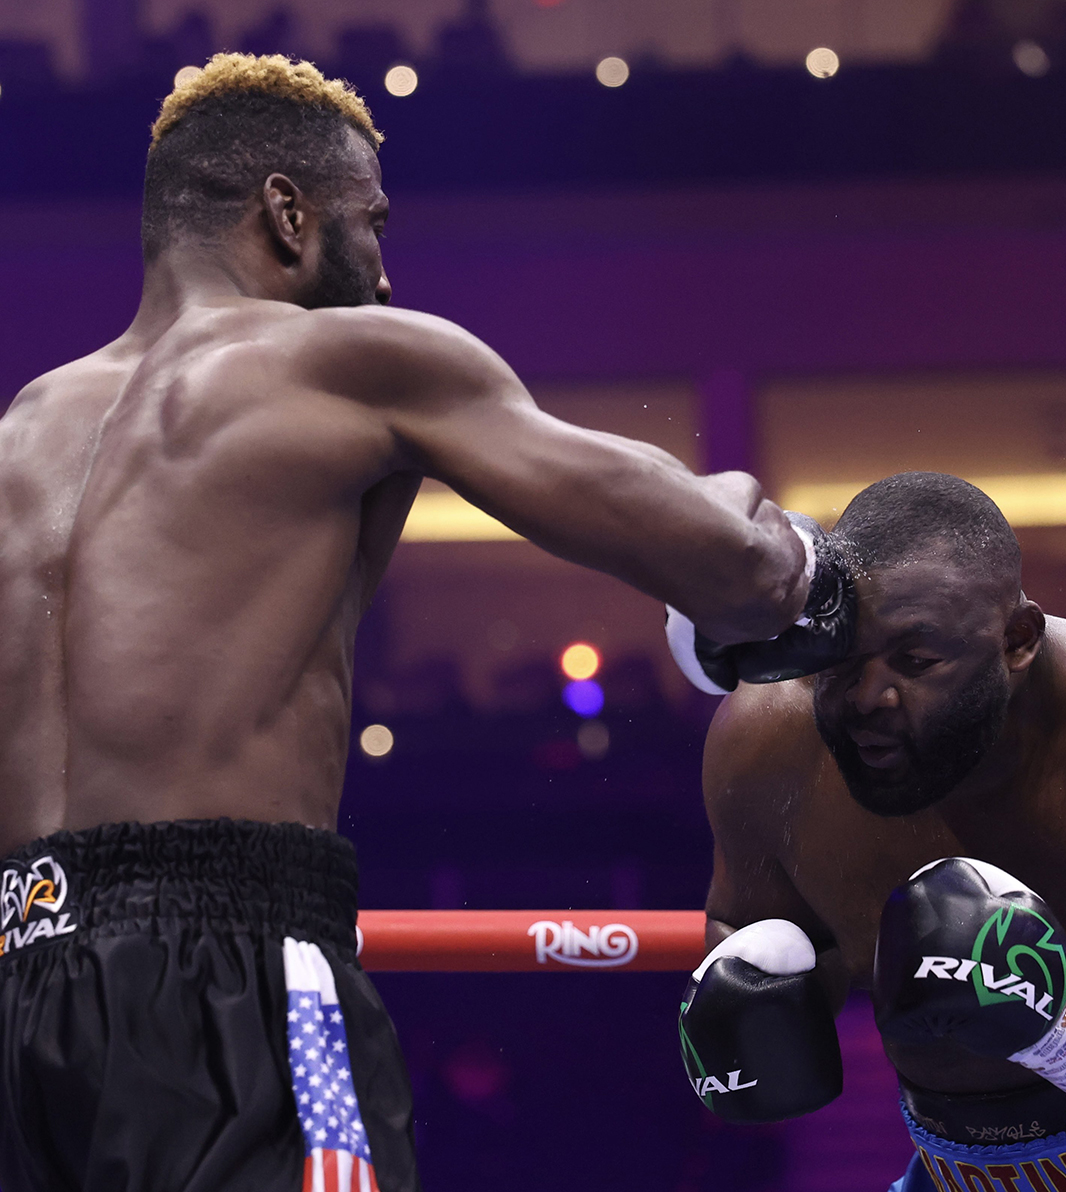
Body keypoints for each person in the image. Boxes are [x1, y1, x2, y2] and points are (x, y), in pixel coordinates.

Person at [0, 54, 856, 1192]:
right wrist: (794, 548)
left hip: (20, 979)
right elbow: (733, 566)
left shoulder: (25, 431)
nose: (390, 275)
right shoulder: (350, 361)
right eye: (373, 222)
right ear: (287, 214)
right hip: (236, 970)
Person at [676, 471, 1066, 1190]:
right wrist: (754, 998)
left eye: (916, 661)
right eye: (843, 661)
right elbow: (749, 922)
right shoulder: (766, 742)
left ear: (1017, 642)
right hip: (945, 1166)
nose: (869, 697)